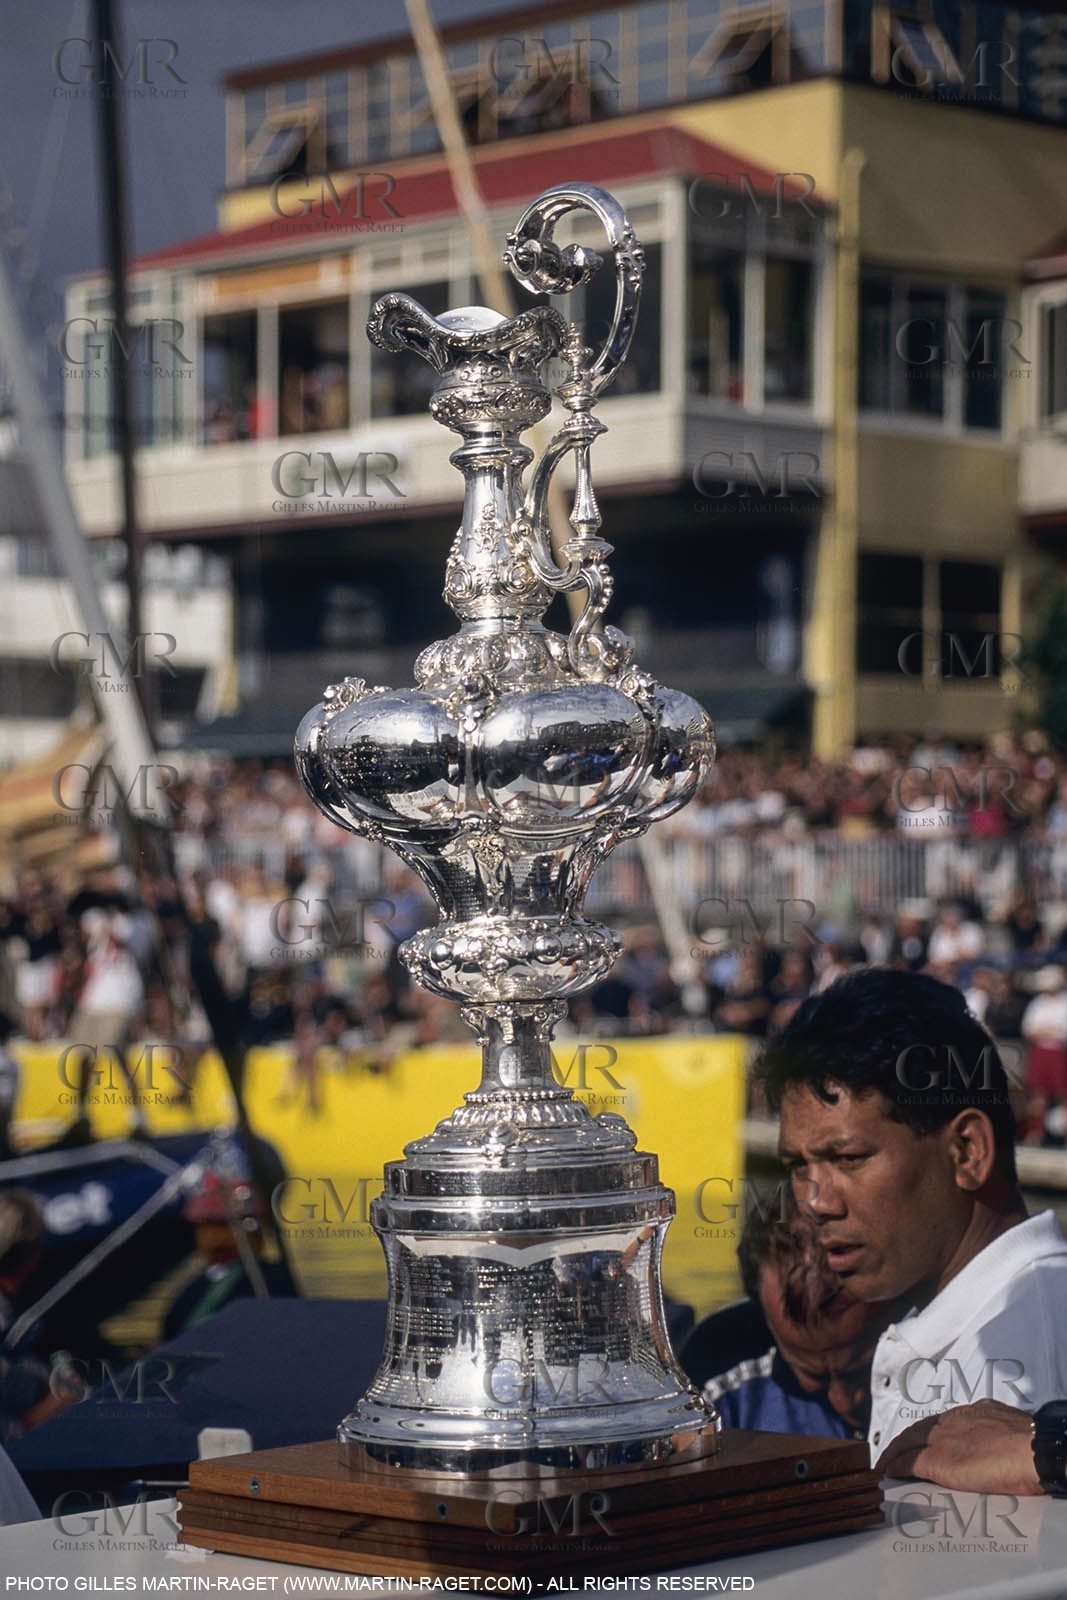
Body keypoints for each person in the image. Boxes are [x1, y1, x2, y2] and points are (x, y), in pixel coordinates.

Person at [761, 966, 1067, 1462]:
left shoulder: (1031, 1339)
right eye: (797, 1166)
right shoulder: (995, 1315)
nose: (815, 1201)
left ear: (967, 1150)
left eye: (849, 1158)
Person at [683, 1198, 904, 1441]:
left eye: (863, 1370)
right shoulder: (716, 1390)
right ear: (766, 1322)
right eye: (813, 1378)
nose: (844, 1403)